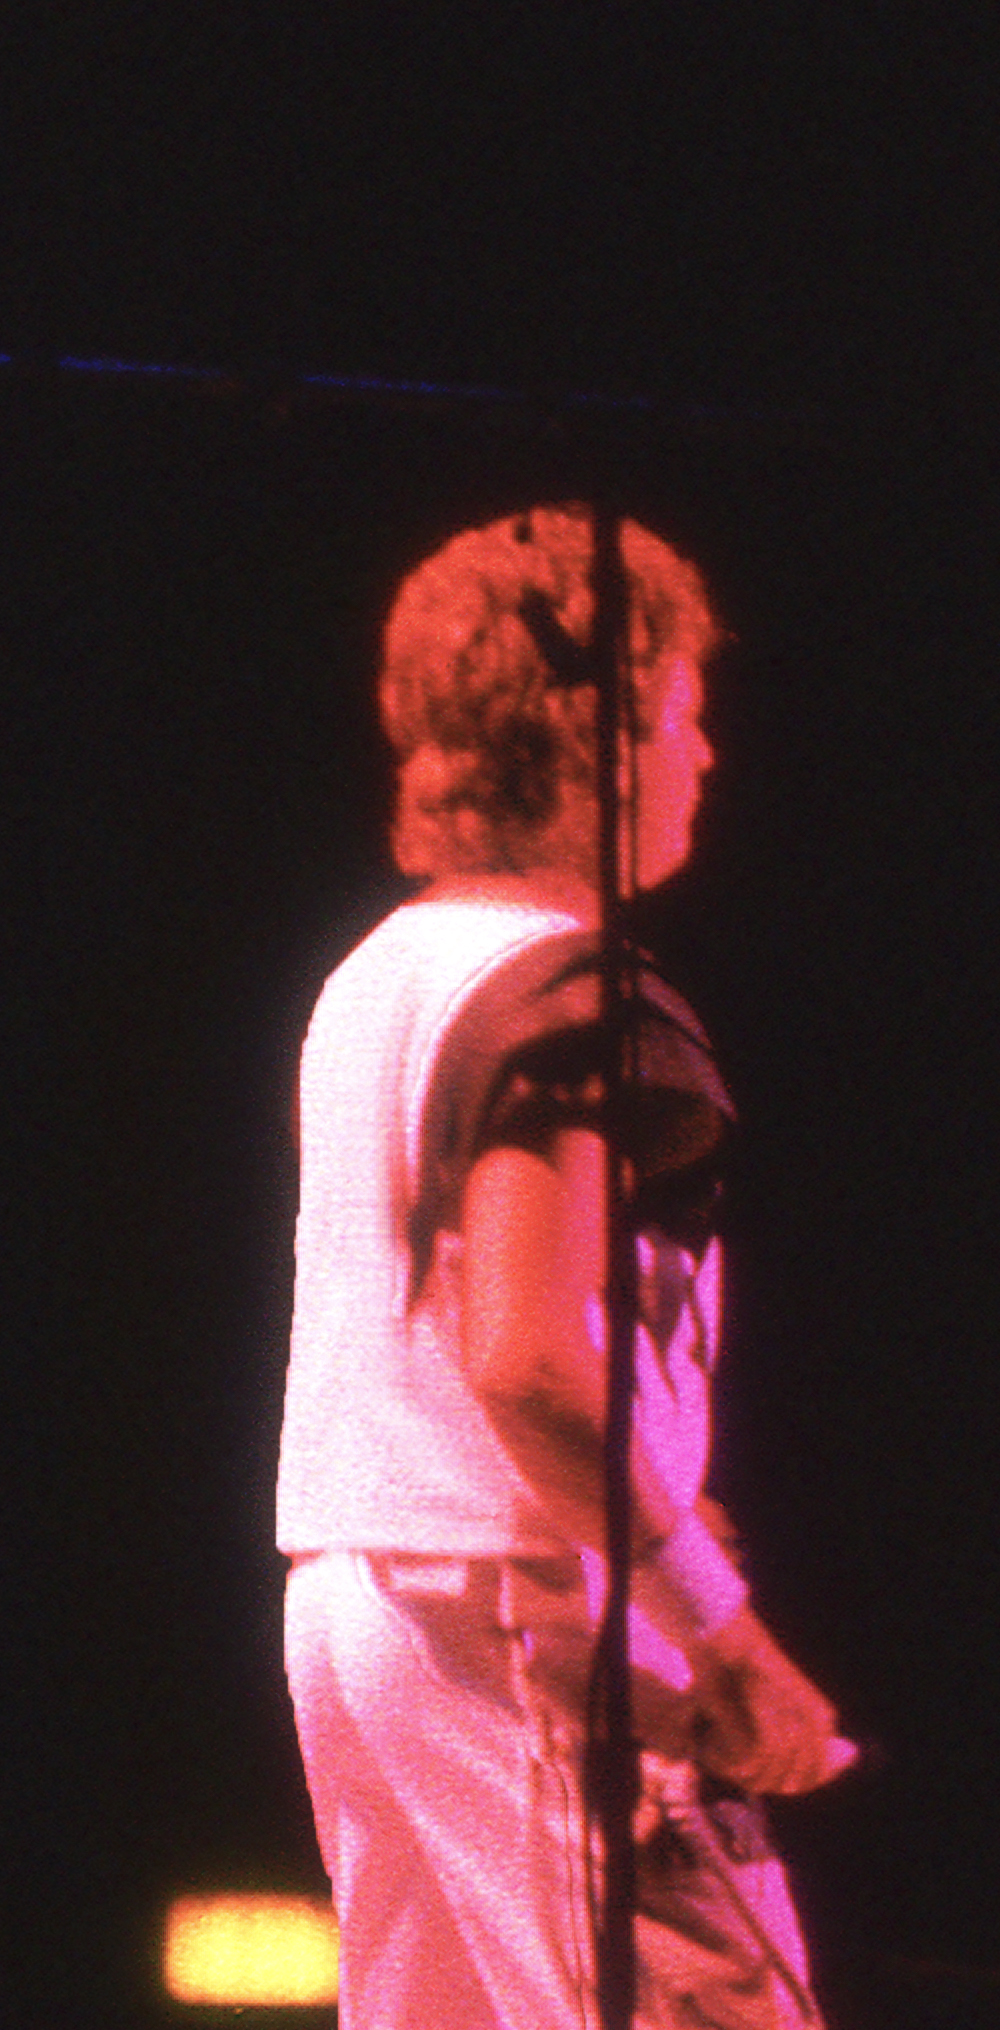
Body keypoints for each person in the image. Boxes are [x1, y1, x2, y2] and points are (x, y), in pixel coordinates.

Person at [277, 506, 849, 2026]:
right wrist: (716, 1618)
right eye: (687, 715)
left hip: (357, 1607)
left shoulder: (375, 978)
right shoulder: (579, 992)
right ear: (602, 737)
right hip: (522, 1613)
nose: (707, 756)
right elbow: (523, 1351)